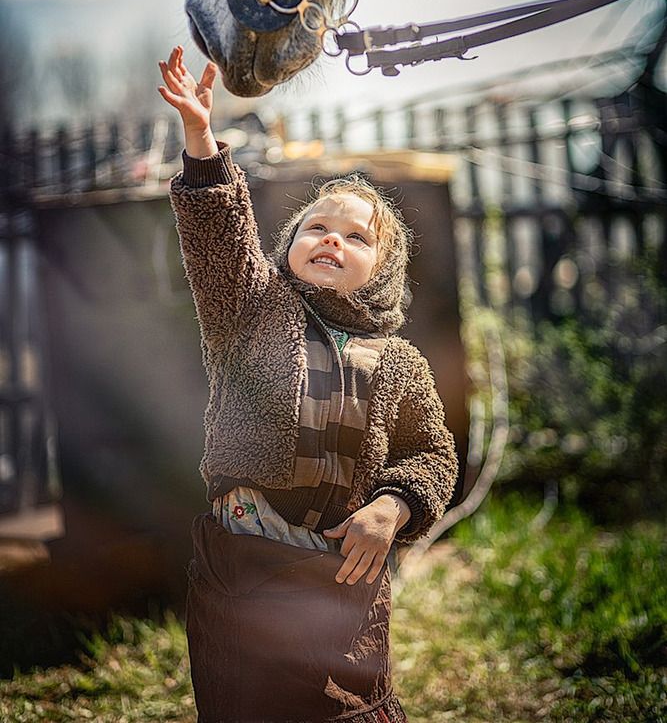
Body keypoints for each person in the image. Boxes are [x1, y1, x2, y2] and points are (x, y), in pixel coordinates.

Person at [158, 46, 459, 723]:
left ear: (383, 271)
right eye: (316, 227)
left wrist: (392, 509)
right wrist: (202, 141)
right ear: (289, 247)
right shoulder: (252, 309)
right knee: (249, 701)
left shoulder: (400, 362)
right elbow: (219, 237)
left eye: (356, 237)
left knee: (349, 704)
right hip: (246, 555)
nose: (331, 239)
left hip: (344, 564)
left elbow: (433, 455)